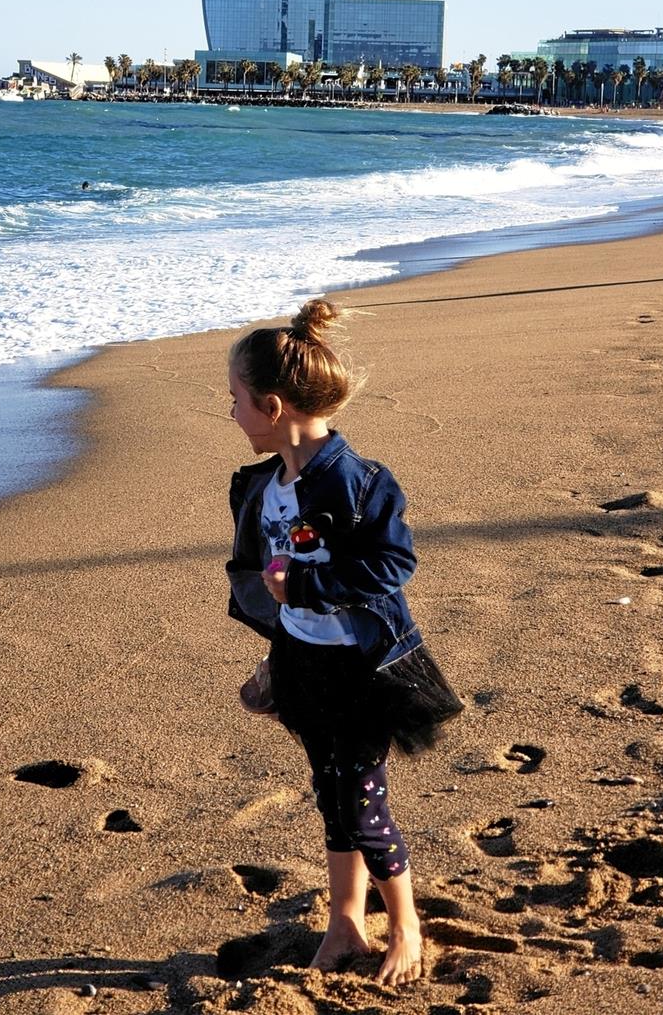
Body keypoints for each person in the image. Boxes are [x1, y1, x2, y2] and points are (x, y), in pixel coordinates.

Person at [226, 299, 463, 987]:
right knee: (332, 794)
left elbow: (393, 564)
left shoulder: (360, 483)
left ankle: (407, 925)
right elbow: (263, 577)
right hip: (304, 664)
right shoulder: (264, 487)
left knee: (364, 802)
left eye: (236, 399)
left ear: (273, 407)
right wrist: (275, 654)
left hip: (362, 669)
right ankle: (344, 923)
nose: (231, 413)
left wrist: (305, 586)